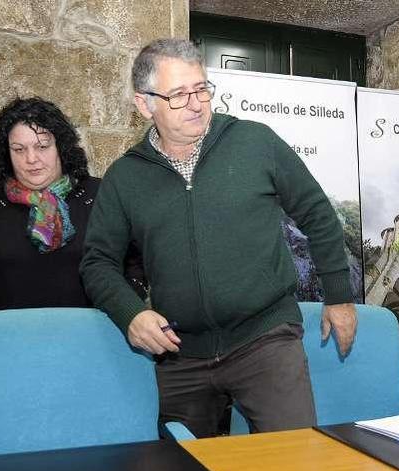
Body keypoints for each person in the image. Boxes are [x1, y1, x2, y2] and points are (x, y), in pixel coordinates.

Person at [79, 38, 357, 438]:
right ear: (144, 104)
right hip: (180, 355)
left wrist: (339, 297)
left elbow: (318, 213)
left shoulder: (256, 142)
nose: (196, 104)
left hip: (266, 341)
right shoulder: (125, 178)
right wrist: (131, 314)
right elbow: (97, 262)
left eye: (201, 89)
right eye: (178, 95)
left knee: (294, 468)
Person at [0, 97, 145, 323]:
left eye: (42, 146)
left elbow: (136, 263)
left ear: (61, 148)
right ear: (7, 154)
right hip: (7, 342)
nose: (31, 159)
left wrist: (128, 308)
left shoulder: (100, 196)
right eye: (19, 149)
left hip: (90, 340)